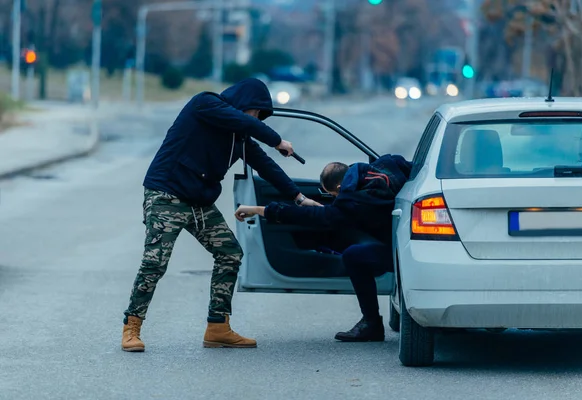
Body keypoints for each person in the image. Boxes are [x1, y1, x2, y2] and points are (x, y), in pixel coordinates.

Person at [121, 78, 321, 352]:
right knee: (155, 262)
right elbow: (246, 123)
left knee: (230, 253)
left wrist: (298, 197)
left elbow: (266, 166)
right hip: (166, 194)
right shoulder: (205, 103)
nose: (256, 118)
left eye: (261, 116)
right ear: (244, 103)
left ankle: (218, 326)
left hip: (199, 203)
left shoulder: (238, 139)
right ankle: (132, 327)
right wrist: (277, 140)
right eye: (256, 112)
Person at [235, 154, 412, 342]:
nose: (335, 199)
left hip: (402, 253)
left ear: (338, 188)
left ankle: (372, 323)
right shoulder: (387, 164)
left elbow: (311, 216)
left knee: (354, 256)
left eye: (333, 195)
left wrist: (259, 210)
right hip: (417, 243)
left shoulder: (352, 203)